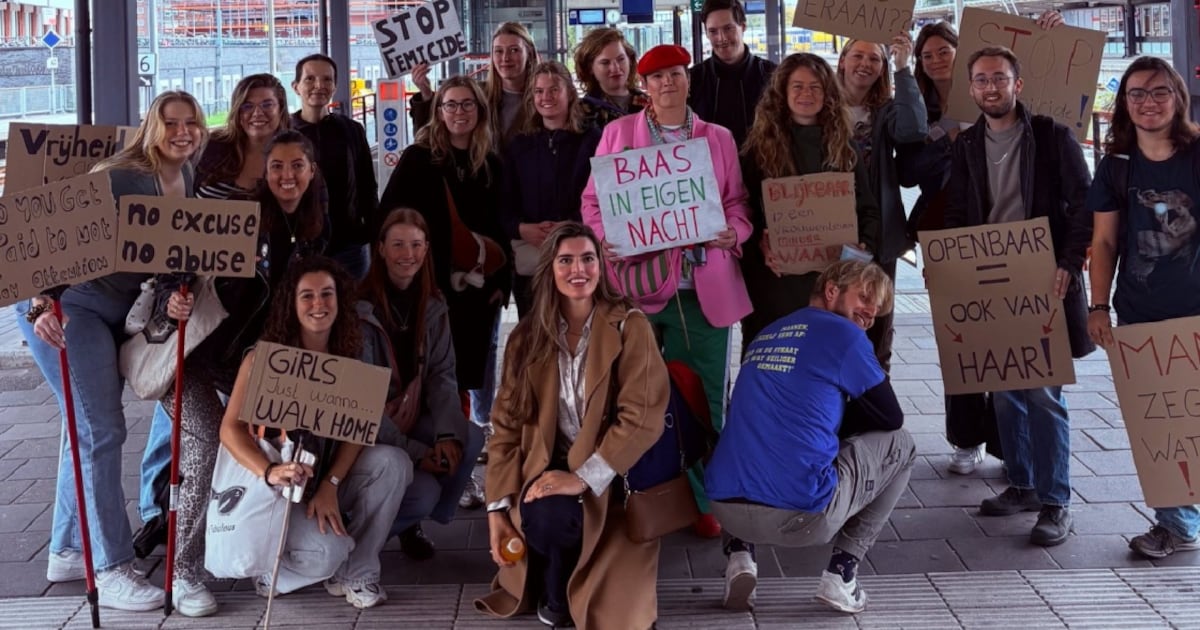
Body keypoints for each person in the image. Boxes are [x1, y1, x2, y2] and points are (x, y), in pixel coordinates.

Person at [17, 90, 208, 612]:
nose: (182, 132)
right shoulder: (121, 176)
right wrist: (39, 305)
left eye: (190, 122)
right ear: (152, 127)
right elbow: (48, 235)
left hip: (117, 312)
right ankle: (111, 566)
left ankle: (66, 549)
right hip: (72, 309)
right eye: (170, 123)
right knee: (102, 430)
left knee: (84, 428)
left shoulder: (185, 177)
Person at [148, 130, 331, 617]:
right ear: (263, 173)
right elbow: (177, 265)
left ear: (312, 172)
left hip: (251, 366)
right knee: (208, 440)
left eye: (297, 166)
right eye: (277, 167)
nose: (287, 176)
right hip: (196, 363)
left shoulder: (313, 226)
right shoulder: (239, 219)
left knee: (273, 446)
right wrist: (176, 296)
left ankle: (258, 551)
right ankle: (184, 572)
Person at [581, 44, 753, 541]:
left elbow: (738, 203)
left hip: (702, 289)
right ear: (645, 87)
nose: (668, 84)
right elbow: (593, 202)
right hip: (635, 287)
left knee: (704, 398)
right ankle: (626, 491)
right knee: (625, 395)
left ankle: (703, 499)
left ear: (688, 80)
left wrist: (733, 233)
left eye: (676, 74)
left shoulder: (716, 138)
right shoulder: (618, 134)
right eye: (657, 78)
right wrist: (604, 238)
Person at [475, 222, 669, 630]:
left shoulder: (630, 327)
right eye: (566, 260)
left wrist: (581, 478)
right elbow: (506, 426)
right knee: (544, 516)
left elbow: (642, 417)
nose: (578, 269)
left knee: (619, 612)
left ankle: (575, 575)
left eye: (587, 258)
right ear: (550, 269)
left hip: (615, 470)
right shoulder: (526, 337)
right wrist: (496, 508)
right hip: (547, 462)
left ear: (601, 266)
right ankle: (555, 581)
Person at [945, 45, 1094, 547]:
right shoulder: (966, 144)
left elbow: (1084, 207)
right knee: (1005, 390)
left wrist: (1070, 264)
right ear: (972, 89)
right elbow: (960, 213)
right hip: (991, 282)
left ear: (1018, 84)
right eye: (982, 80)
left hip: (1042, 280)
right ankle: (1024, 483)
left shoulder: (1053, 138)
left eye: (1000, 79)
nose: (991, 88)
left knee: (1043, 395)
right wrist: (951, 270)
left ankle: (1056, 501)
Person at [706, 260, 913, 615]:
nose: (869, 315)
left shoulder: (768, 333)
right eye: (864, 298)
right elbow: (890, 416)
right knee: (902, 445)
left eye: (877, 310)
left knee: (754, 434)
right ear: (831, 290)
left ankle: (739, 557)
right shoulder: (843, 335)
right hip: (799, 518)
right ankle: (842, 575)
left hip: (725, 509)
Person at [219, 256, 410, 609]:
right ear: (291, 304)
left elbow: (357, 430)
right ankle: (273, 573)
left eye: (327, 294)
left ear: (340, 300)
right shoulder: (264, 359)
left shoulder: (349, 354)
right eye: (307, 296)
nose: (318, 304)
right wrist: (268, 471)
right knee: (328, 553)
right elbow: (229, 430)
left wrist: (331, 485)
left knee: (393, 463)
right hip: (279, 492)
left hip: (320, 482)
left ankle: (358, 572)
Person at [1086, 57, 1200, 559]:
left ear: (1177, 96)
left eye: (1157, 92)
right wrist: (1097, 305)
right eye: (1136, 94)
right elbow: (1105, 242)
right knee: (1164, 427)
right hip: (1142, 316)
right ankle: (1176, 524)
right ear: (1124, 106)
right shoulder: (1117, 167)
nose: (1147, 102)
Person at [380, 76, 510, 430]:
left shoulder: (492, 165)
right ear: (438, 112)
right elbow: (389, 216)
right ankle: (435, 439)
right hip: (429, 284)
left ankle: (462, 439)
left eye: (467, 104)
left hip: (477, 289)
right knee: (429, 365)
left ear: (480, 111)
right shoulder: (419, 160)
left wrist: (501, 284)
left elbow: (503, 226)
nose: (459, 112)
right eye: (450, 104)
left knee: (468, 369)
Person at [356, 209, 485, 560]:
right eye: (397, 244)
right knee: (422, 489)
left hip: (412, 414)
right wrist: (417, 454)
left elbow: (443, 375)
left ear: (427, 249)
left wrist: (445, 437)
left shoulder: (434, 304)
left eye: (415, 244)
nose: (406, 254)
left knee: (470, 437)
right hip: (369, 429)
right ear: (380, 248)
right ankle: (358, 539)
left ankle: (415, 521)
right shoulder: (359, 310)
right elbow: (359, 404)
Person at [739, 52, 882, 347]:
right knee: (771, 360)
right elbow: (744, 208)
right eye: (798, 86)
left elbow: (867, 209)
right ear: (782, 93)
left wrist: (861, 249)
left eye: (815, 87)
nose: (807, 94)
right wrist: (759, 244)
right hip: (774, 281)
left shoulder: (844, 147)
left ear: (827, 94)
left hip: (831, 284)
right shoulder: (758, 149)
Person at [836, 35, 927, 371]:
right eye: (857, 55)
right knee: (833, 318)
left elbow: (913, 128)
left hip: (880, 235)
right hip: (829, 232)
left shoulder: (885, 111)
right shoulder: (820, 106)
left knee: (875, 318)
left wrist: (904, 68)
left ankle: (875, 398)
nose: (865, 64)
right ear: (842, 60)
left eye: (874, 59)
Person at [502, 60, 603, 317]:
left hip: (579, 257)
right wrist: (521, 229)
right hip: (532, 262)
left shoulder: (592, 139)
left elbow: (601, 197)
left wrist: (569, 228)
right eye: (539, 91)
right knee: (535, 340)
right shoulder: (519, 145)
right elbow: (503, 202)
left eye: (554, 89)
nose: (546, 97)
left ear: (569, 92)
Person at [291, 53, 380, 279]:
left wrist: (372, 235)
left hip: (349, 247)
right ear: (296, 86)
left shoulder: (352, 130)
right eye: (310, 79)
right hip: (299, 248)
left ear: (335, 86)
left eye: (327, 79)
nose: (319, 85)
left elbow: (367, 186)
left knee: (355, 310)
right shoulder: (285, 135)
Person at [411, 22, 539, 149]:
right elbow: (434, 134)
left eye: (514, 50)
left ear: (529, 53)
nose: (506, 58)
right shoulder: (476, 94)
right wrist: (426, 93)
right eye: (499, 51)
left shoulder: (543, 99)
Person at [688, 0, 777, 145]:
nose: (722, 38)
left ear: (743, 27)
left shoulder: (772, 75)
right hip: (711, 165)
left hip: (764, 165)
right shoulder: (693, 79)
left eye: (728, 28)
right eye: (713, 31)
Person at [574, 27, 648, 131]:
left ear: (630, 60)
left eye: (621, 59)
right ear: (590, 68)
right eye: (605, 63)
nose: (615, 68)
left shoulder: (649, 105)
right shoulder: (581, 113)